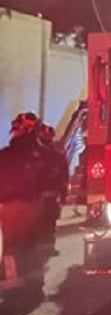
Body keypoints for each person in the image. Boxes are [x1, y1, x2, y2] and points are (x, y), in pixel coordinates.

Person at [0, 112, 46, 281]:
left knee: (12, 246)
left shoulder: (6, 154)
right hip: (30, 203)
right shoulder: (41, 154)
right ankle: (30, 276)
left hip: (11, 205)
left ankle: (13, 279)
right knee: (30, 242)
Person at [35, 124, 68, 252]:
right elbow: (64, 177)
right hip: (46, 196)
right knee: (48, 222)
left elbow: (64, 177)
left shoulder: (37, 155)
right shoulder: (57, 156)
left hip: (42, 196)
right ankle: (46, 245)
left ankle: (45, 245)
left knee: (46, 222)